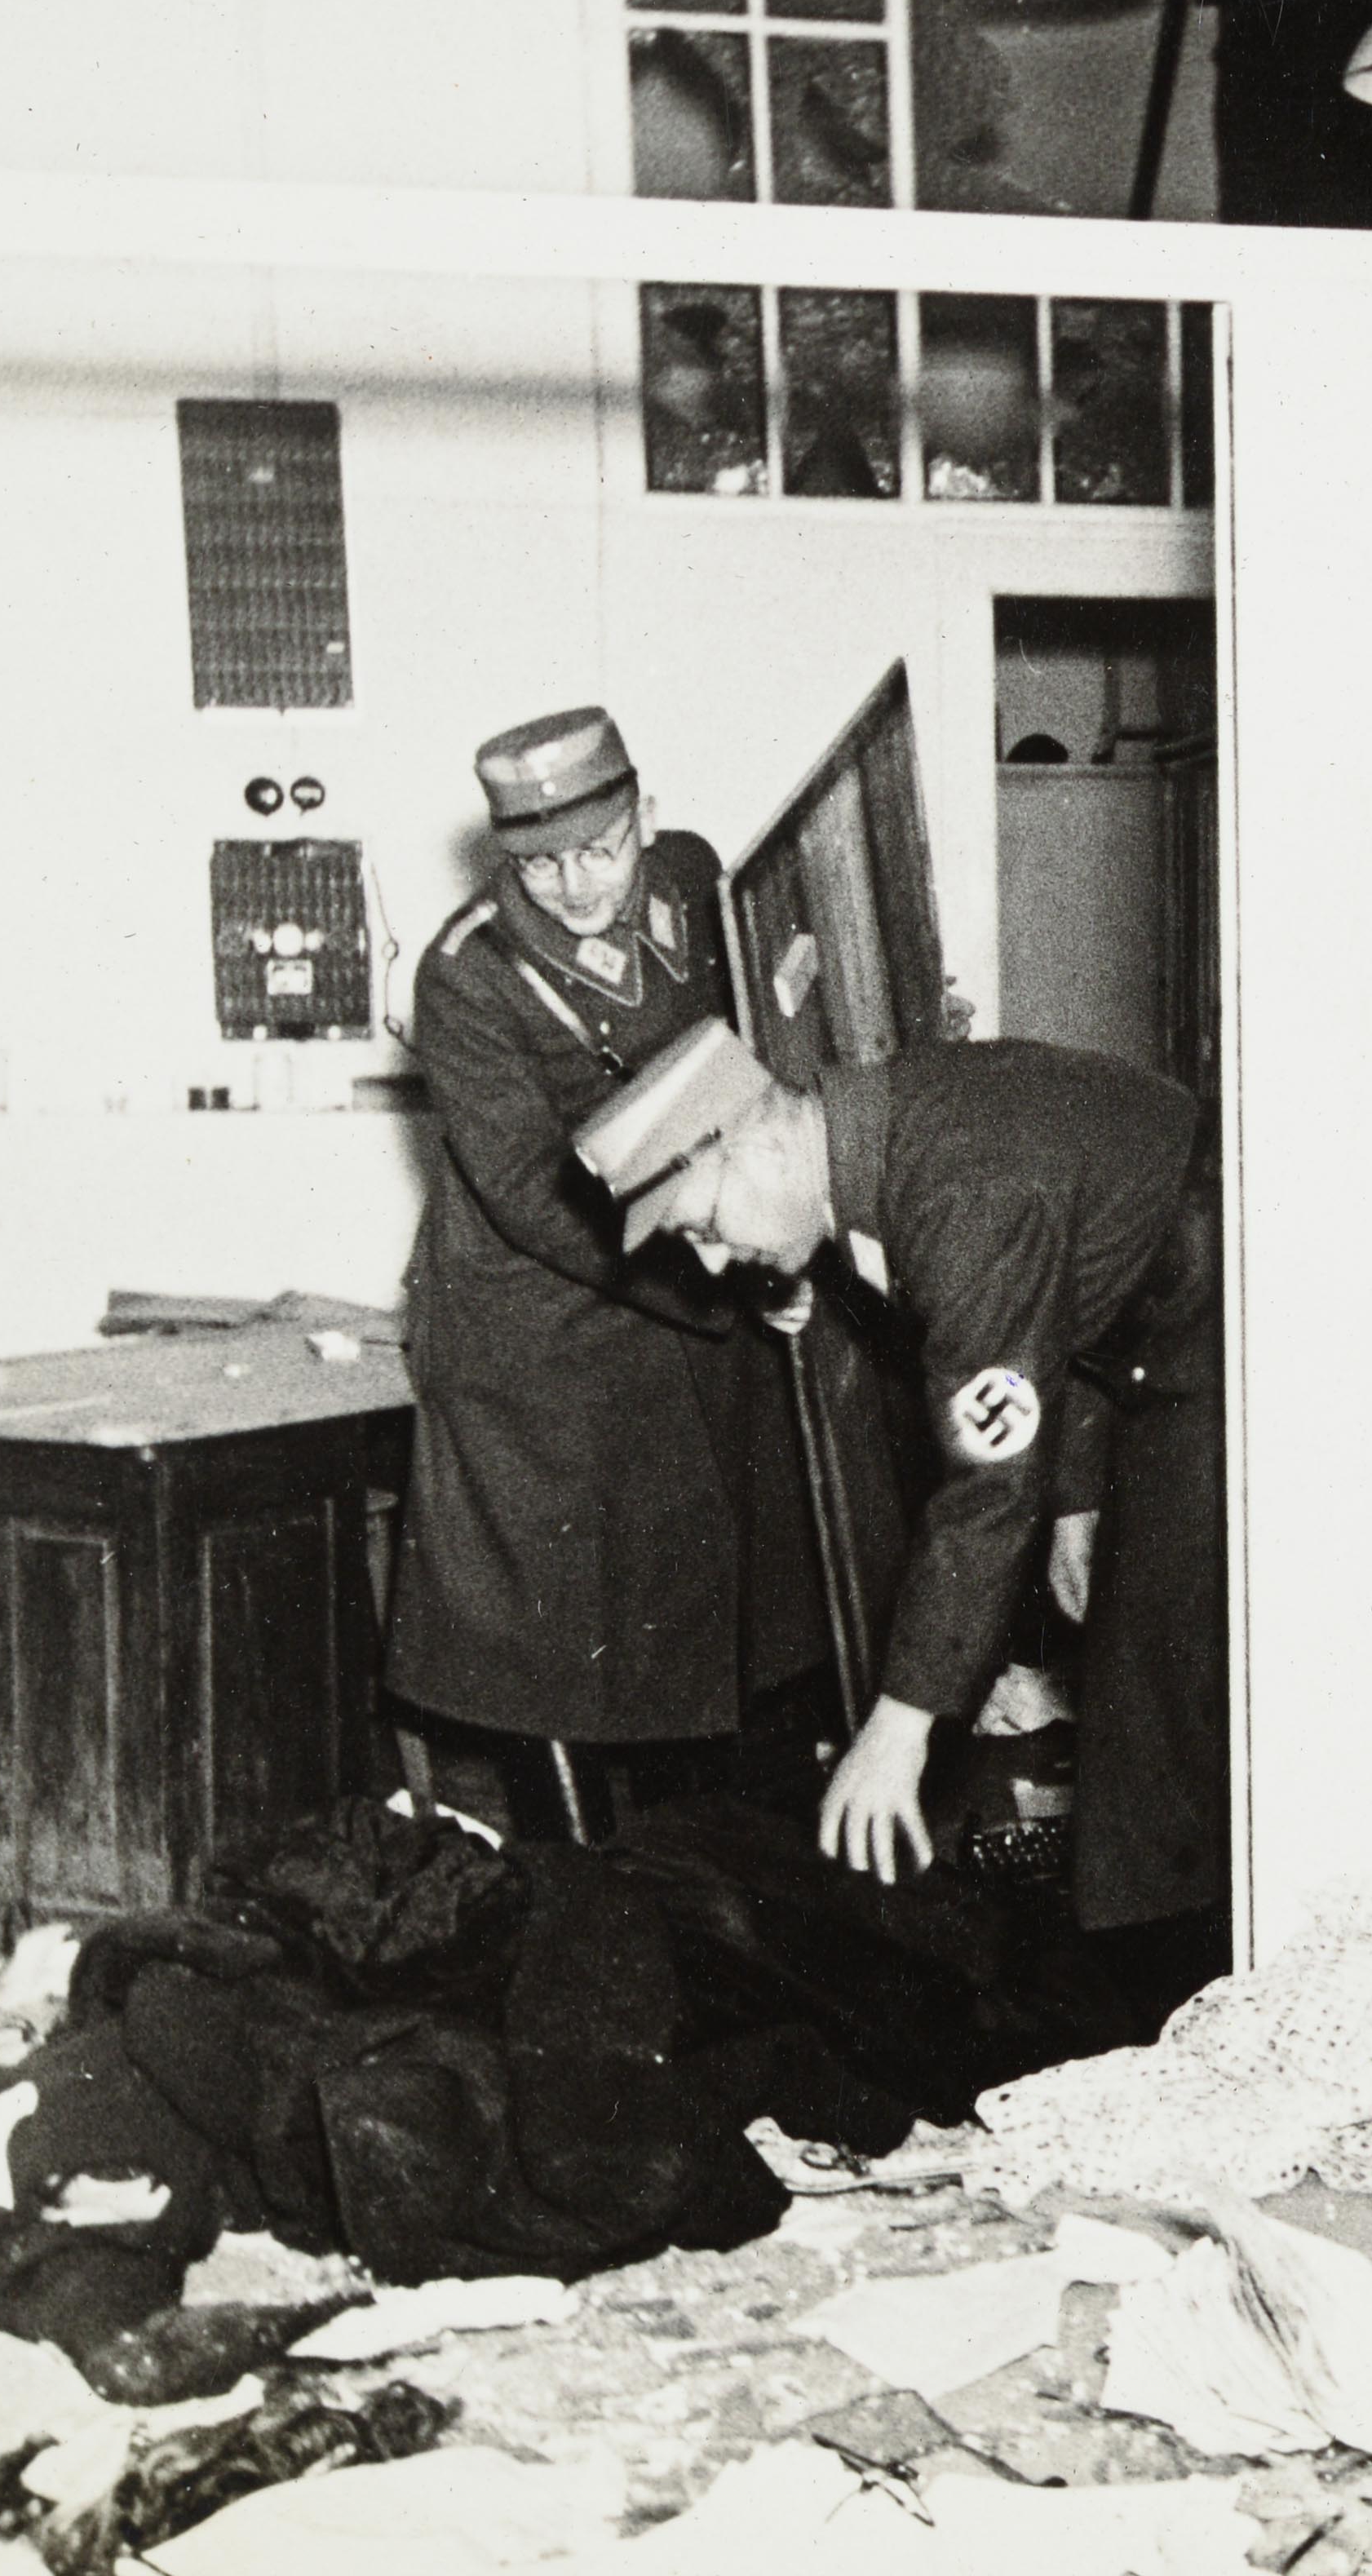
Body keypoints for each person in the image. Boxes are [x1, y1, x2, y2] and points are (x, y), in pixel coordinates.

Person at [573, 1015, 1231, 2032]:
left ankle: (1184, 2019)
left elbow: (984, 1488)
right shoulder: (880, 1133)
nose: (710, 1265)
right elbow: (1062, 1304)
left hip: (1229, 1315)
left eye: (702, 1225)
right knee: (1147, 1714)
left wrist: (900, 1723)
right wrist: (1079, 1496)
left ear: (759, 1142)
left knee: (1162, 1717)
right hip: (1161, 1320)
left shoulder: (955, 1194)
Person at [384, 708, 830, 1848]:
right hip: (538, 1327)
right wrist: (727, 1278)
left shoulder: (692, 879)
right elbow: (534, 1193)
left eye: (599, 849)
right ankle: (574, 1887)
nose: (577, 886)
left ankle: (694, 1880)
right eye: (541, 864)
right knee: (553, 1645)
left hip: (682, 1270)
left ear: (646, 816)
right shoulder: (467, 973)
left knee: (697, 1619)